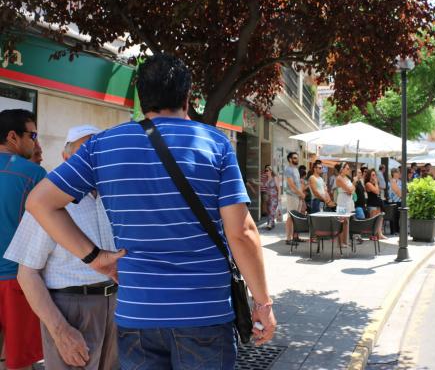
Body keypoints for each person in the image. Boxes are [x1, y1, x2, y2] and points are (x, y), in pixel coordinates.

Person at [25, 55, 276, 370]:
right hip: (204, 314)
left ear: (141, 99)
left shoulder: (102, 146)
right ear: (188, 97)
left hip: (137, 315)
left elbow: (39, 202)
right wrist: (263, 303)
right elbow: (242, 232)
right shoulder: (215, 144)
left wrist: (94, 257)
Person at [5, 125, 119, 370]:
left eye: (98, 154)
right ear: (67, 158)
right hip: (71, 309)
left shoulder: (115, 198)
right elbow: (27, 274)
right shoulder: (49, 201)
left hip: (116, 307)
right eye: (83, 154)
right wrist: (60, 330)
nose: (92, 161)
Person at [0, 109, 45, 370]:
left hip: (16, 281)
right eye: (33, 135)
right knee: (19, 363)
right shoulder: (34, 174)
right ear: (12, 137)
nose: (36, 143)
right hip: (17, 282)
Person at [284, 152, 306, 244]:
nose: (297, 159)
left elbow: (297, 184)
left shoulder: (295, 169)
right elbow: (291, 185)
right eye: (294, 158)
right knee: (290, 217)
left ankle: (295, 237)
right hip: (292, 196)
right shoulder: (288, 169)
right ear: (290, 159)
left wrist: (301, 195)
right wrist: (301, 193)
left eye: (297, 157)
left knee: (296, 218)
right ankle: (288, 239)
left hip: (297, 196)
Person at [335, 163, 355, 247]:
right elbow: (350, 190)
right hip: (342, 201)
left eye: (348, 168)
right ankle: (340, 243)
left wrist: (351, 189)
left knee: (346, 222)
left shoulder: (347, 178)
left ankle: (345, 241)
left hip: (348, 201)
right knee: (341, 221)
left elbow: (353, 190)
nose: (348, 170)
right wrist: (353, 184)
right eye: (347, 168)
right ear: (342, 169)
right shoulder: (339, 178)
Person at [364, 169, 386, 240]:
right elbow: (376, 191)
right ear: (369, 176)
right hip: (372, 205)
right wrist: (376, 183)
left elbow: (378, 191)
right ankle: (373, 235)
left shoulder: (374, 183)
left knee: (379, 219)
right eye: (373, 175)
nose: (374, 176)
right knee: (374, 220)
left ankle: (379, 234)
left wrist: (376, 183)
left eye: (375, 175)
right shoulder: (368, 184)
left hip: (377, 204)